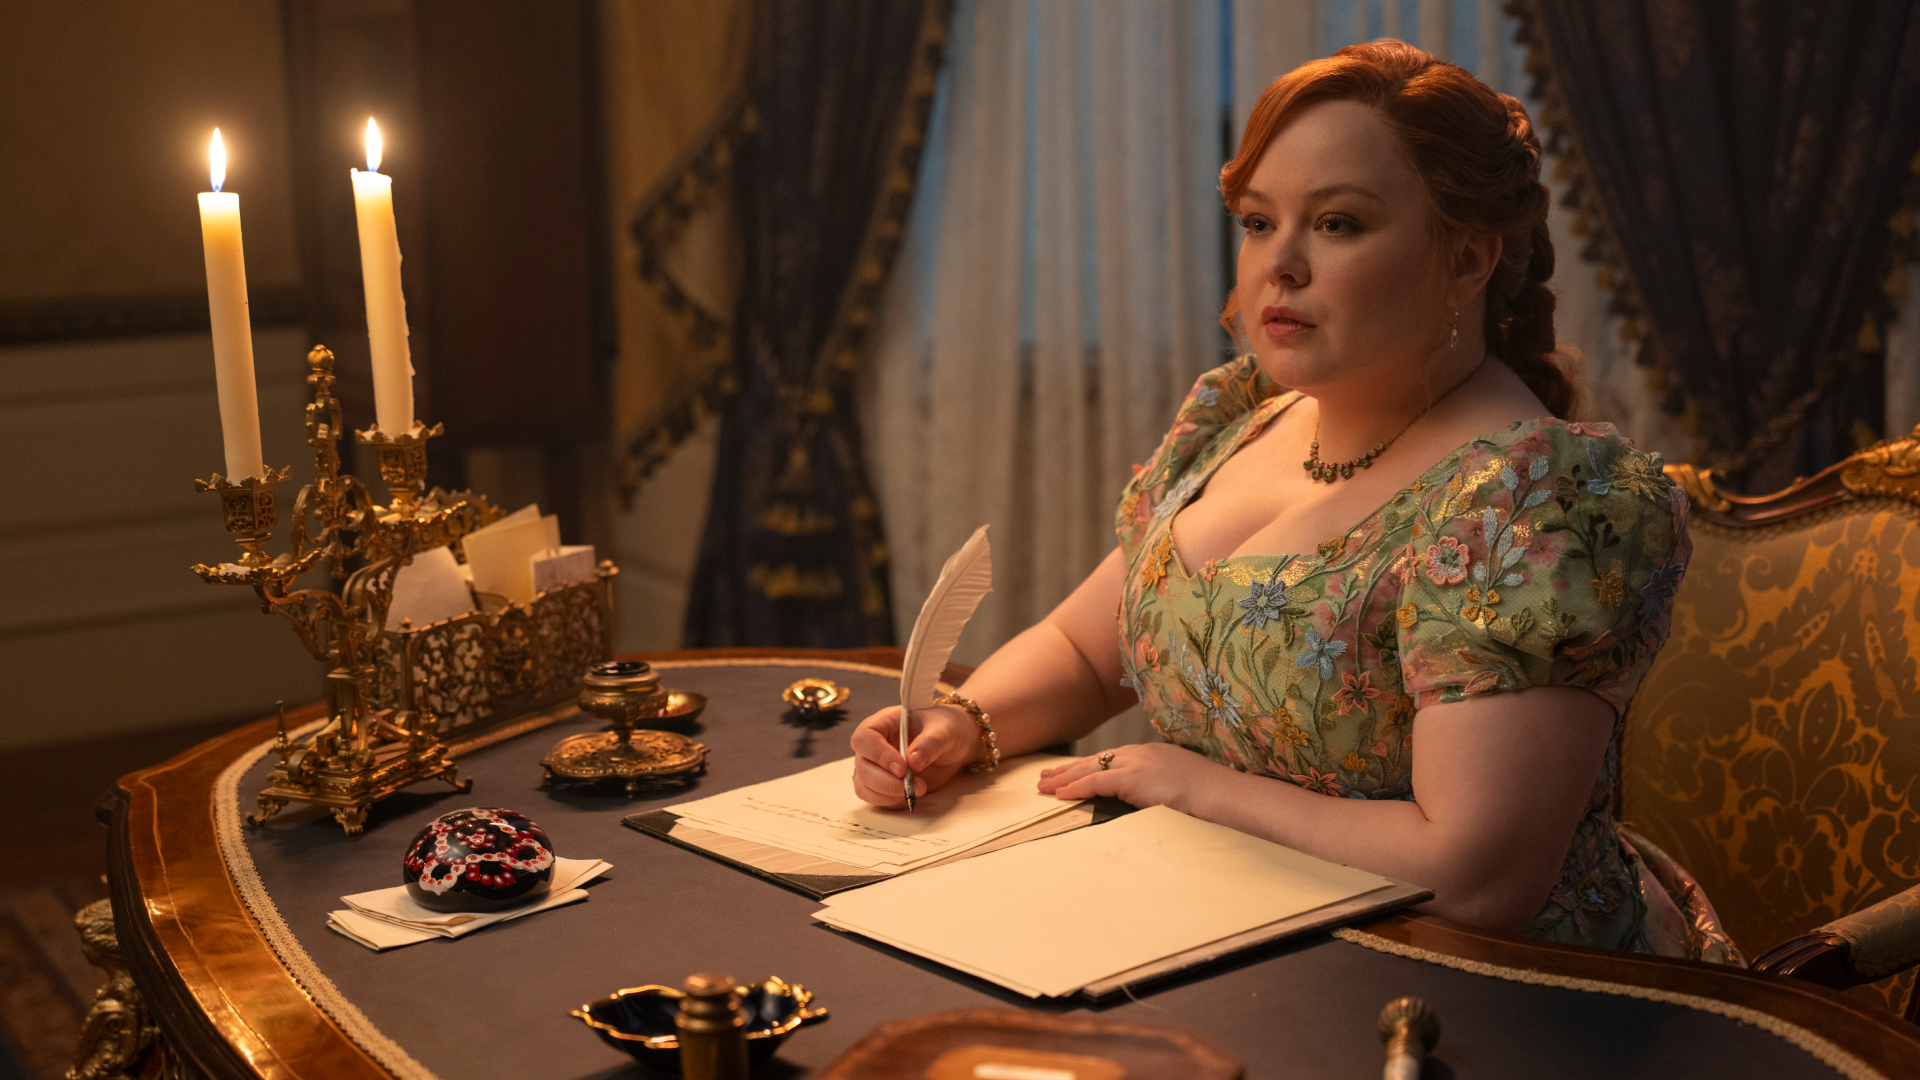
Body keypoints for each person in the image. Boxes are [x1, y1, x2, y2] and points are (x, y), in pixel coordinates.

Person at [849, 40, 1733, 961]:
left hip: (1485, 995)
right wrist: (964, 723)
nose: (1283, 265)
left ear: (1467, 256)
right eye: (1258, 222)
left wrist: (1187, 784)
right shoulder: (1238, 421)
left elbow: (1476, 882)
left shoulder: (1529, 503)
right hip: (1217, 934)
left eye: (1339, 224)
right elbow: (1083, 649)